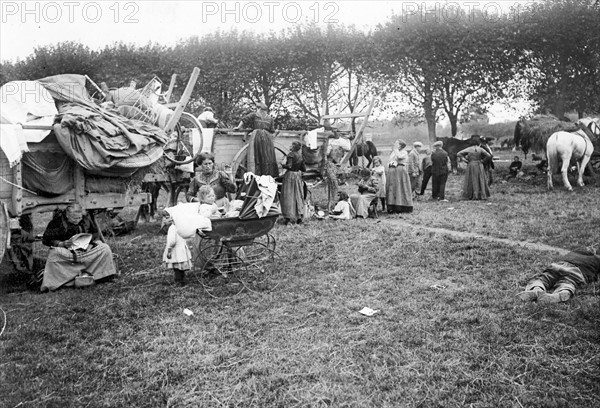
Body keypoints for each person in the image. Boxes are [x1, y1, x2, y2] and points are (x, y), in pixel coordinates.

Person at [40, 204, 117, 292]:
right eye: (74, 218)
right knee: (54, 253)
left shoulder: (85, 220)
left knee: (104, 248)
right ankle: (59, 283)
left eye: (79, 218)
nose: (77, 220)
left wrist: (89, 240)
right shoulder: (57, 222)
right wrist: (62, 243)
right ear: (67, 215)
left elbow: (95, 234)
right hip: (67, 253)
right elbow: (46, 240)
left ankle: (101, 276)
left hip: (85, 251)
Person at [517, 246, 600, 303]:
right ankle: (562, 292)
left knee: (544, 279)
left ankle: (536, 289)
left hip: (558, 265)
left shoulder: (577, 251)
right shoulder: (597, 259)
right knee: (568, 282)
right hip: (577, 271)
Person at [236, 102, 279, 178]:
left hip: (257, 135)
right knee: (267, 155)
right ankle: (267, 174)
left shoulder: (254, 114)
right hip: (267, 137)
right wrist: (275, 133)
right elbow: (272, 130)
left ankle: (256, 173)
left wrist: (238, 127)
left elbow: (244, 120)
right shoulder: (270, 118)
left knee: (255, 154)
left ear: (259, 109)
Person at [162, 210, 192, 286]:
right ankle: (182, 279)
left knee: (176, 267)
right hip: (181, 249)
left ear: (171, 218)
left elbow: (172, 241)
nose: (164, 221)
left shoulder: (172, 228)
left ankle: (179, 281)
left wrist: (169, 250)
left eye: (165, 218)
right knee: (180, 265)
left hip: (175, 250)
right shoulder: (179, 225)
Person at [281, 141, 307, 225]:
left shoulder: (291, 155)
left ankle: (288, 218)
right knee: (298, 195)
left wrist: (282, 165)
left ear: (294, 147)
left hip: (290, 176)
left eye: (292, 145)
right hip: (297, 177)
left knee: (288, 195)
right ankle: (299, 217)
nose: (290, 146)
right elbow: (304, 169)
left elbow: (289, 166)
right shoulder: (300, 156)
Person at [386, 139, 413, 214]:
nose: (394, 144)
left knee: (401, 187)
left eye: (396, 143)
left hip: (401, 171)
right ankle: (393, 205)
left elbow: (399, 157)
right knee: (393, 188)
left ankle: (402, 206)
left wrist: (396, 150)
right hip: (394, 171)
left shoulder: (404, 152)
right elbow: (390, 160)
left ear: (400, 145)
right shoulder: (394, 152)